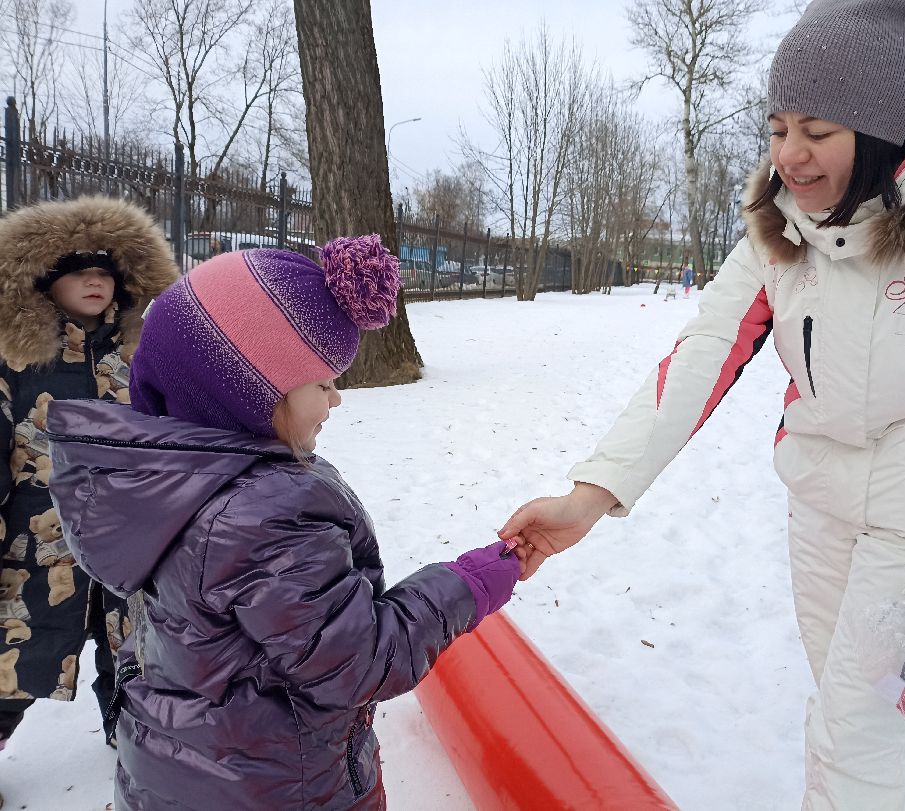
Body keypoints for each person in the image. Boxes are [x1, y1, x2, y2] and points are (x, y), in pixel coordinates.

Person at [499, 1, 905, 808]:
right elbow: (700, 359)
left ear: (880, 130)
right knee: (843, 714)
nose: (789, 158)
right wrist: (590, 496)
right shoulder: (781, 230)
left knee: (861, 736)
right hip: (818, 505)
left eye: (818, 131)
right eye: (777, 128)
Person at [45, 238, 521, 810]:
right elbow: (358, 661)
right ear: (249, 388)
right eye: (322, 382)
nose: (335, 399)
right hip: (278, 787)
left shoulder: (162, 482)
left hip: (175, 774)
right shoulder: (264, 513)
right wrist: (471, 580)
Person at [0, 197, 177, 770]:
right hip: (36, 539)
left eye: (105, 271)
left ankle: (131, 740)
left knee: (134, 651)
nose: (95, 280)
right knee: (13, 652)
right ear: (45, 282)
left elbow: (176, 429)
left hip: (131, 536)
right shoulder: (17, 360)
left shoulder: (142, 353)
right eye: (79, 270)